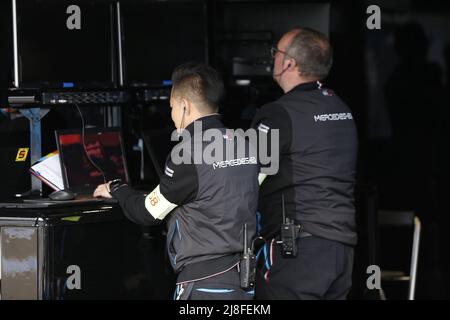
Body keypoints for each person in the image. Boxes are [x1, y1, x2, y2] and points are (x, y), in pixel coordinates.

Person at [94, 62, 258, 300]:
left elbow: (148, 212)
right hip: (242, 279)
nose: (172, 117)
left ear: (184, 105)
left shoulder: (188, 153)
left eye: (171, 107)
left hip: (205, 284)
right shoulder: (245, 143)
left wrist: (118, 189)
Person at [251, 27, 358, 299]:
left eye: (277, 52)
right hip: (341, 250)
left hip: (298, 251)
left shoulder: (278, 114)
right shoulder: (341, 108)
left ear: (289, 63)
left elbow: (245, 177)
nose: (273, 57)